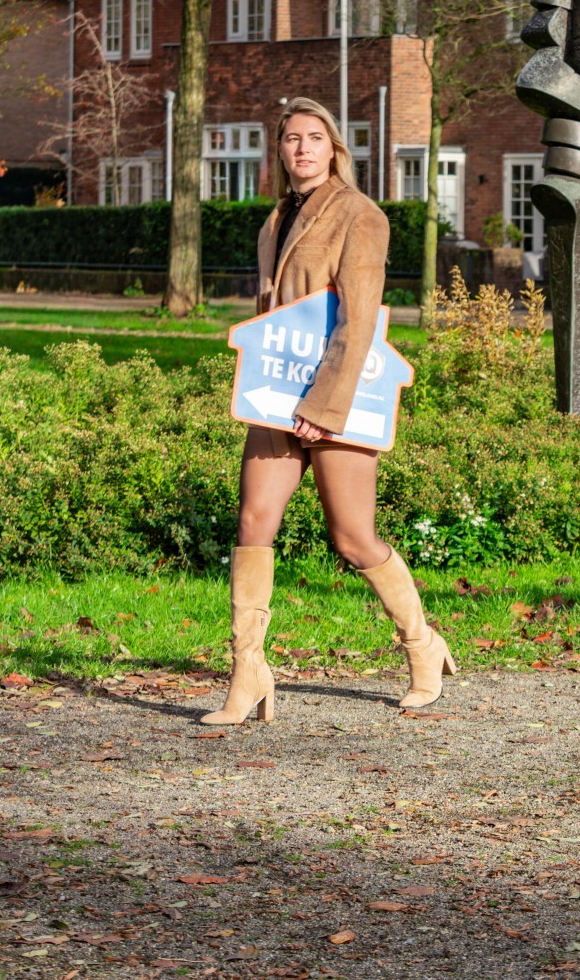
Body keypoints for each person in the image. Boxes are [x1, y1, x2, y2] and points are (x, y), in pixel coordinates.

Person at [203, 97, 453, 724]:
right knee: (253, 521)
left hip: (338, 398)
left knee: (352, 537)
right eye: (292, 138)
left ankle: (422, 645)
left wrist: (326, 405)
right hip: (276, 393)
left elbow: (359, 319)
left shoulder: (360, 214)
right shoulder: (274, 221)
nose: (304, 148)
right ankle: (248, 671)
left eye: (315, 137)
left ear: (334, 147)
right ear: (280, 150)